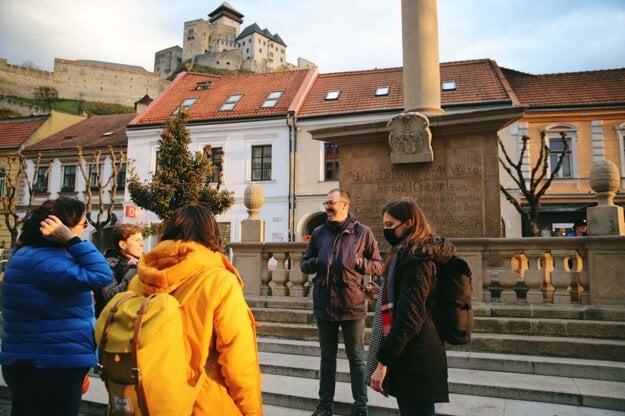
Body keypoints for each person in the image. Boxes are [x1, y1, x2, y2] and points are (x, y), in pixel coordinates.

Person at [127, 202, 263, 415]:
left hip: (148, 398)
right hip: (201, 402)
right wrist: (252, 411)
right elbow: (238, 359)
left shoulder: (141, 279)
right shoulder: (220, 281)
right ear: (212, 234)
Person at [0, 197, 113, 416]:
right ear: (60, 227)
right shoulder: (47, 260)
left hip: (34, 361)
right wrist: (72, 240)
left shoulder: (28, 254)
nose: (84, 228)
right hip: (51, 365)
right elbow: (102, 274)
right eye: (83, 223)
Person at [367, 198, 455, 416]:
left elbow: (410, 318)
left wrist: (383, 362)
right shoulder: (408, 253)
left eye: (390, 225)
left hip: (417, 355)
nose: (385, 231)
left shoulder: (417, 258)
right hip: (412, 352)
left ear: (408, 223)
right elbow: (410, 299)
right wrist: (381, 295)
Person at [301, 189, 383, 416]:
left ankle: (360, 408)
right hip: (324, 303)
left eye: (331, 203)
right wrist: (318, 261)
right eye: (325, 202)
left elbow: (378, 265)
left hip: (353, 304)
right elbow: (304, 264)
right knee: (327, 359)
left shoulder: (362, 232)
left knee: (356, 359)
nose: (327, 206)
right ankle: (324, 407)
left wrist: (360, 263)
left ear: (345, 204)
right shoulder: (318, 233)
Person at [94, 224, 144, 316]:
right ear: (122, 244)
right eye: (137, 240)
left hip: (138, 320)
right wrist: (133, 269)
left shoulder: (145, 263)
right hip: (114, 324)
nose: (142, 244)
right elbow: (111, 296)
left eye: (142, 240)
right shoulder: (107, 265)